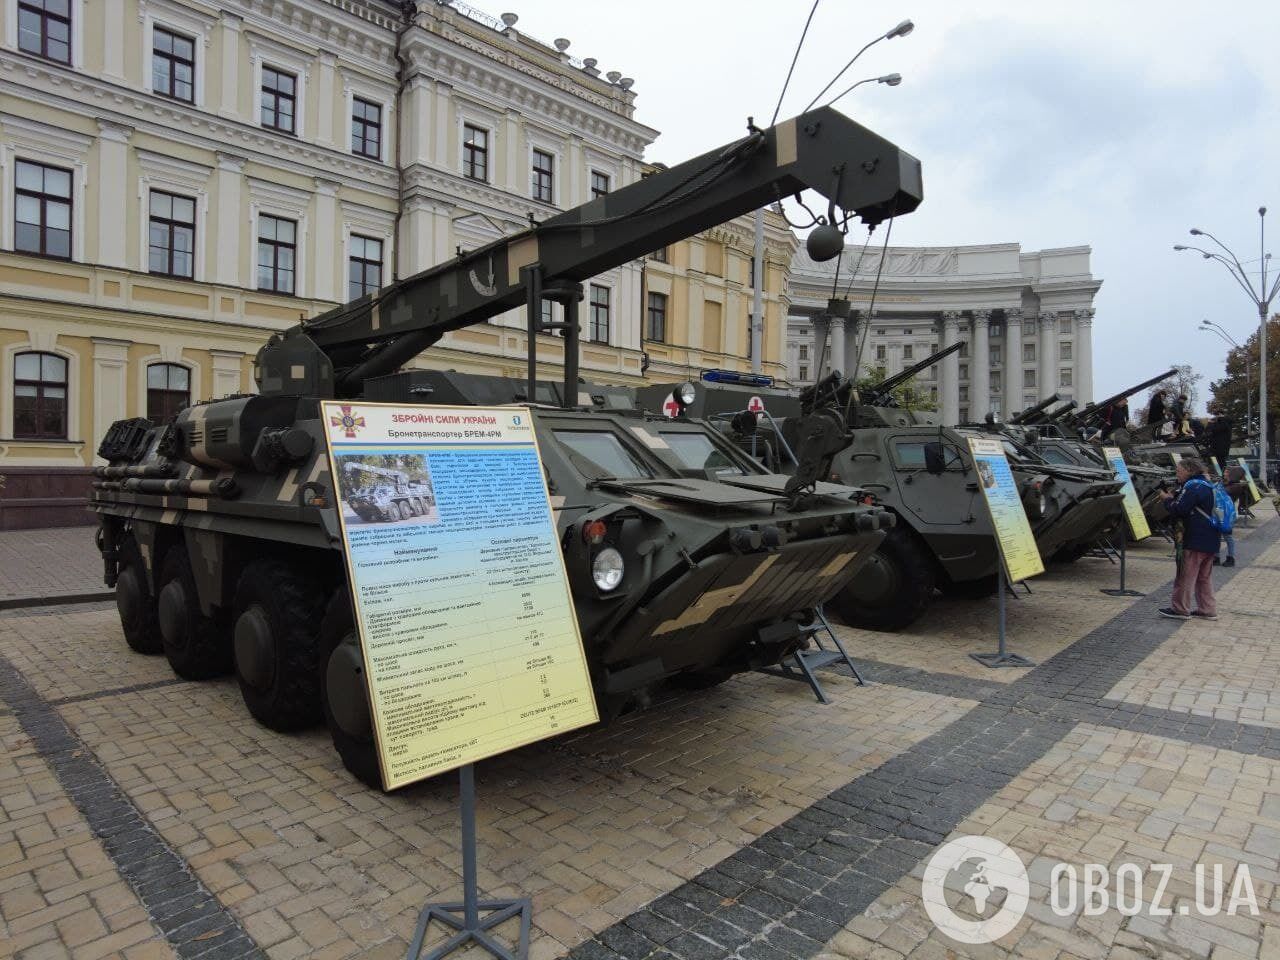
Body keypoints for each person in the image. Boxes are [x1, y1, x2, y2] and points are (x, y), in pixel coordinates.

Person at [1158, 457, 1218, 620]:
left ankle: (1180, 608)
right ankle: (1207, 609)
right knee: (1204, 577)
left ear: (1189, 470)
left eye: (1179, 471)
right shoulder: (1207, 485)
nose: (1177, 474)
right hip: (1211, 537)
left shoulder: (1193, 487)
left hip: (1195, 537)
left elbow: (1180, 509)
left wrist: (1167, 500)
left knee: (1186, 575)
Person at [1216, 464, 1248, 567]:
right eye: (1224, 472)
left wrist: (1220, 484)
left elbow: (1223, 492)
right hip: (1219, 511)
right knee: (1216, 535)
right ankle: (1216, 557)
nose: (1224, 474)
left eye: (1227, 472)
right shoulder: (1226, 483)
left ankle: (1231, 558)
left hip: (1227, 514)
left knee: (1227, 536)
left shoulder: (1236, 486)